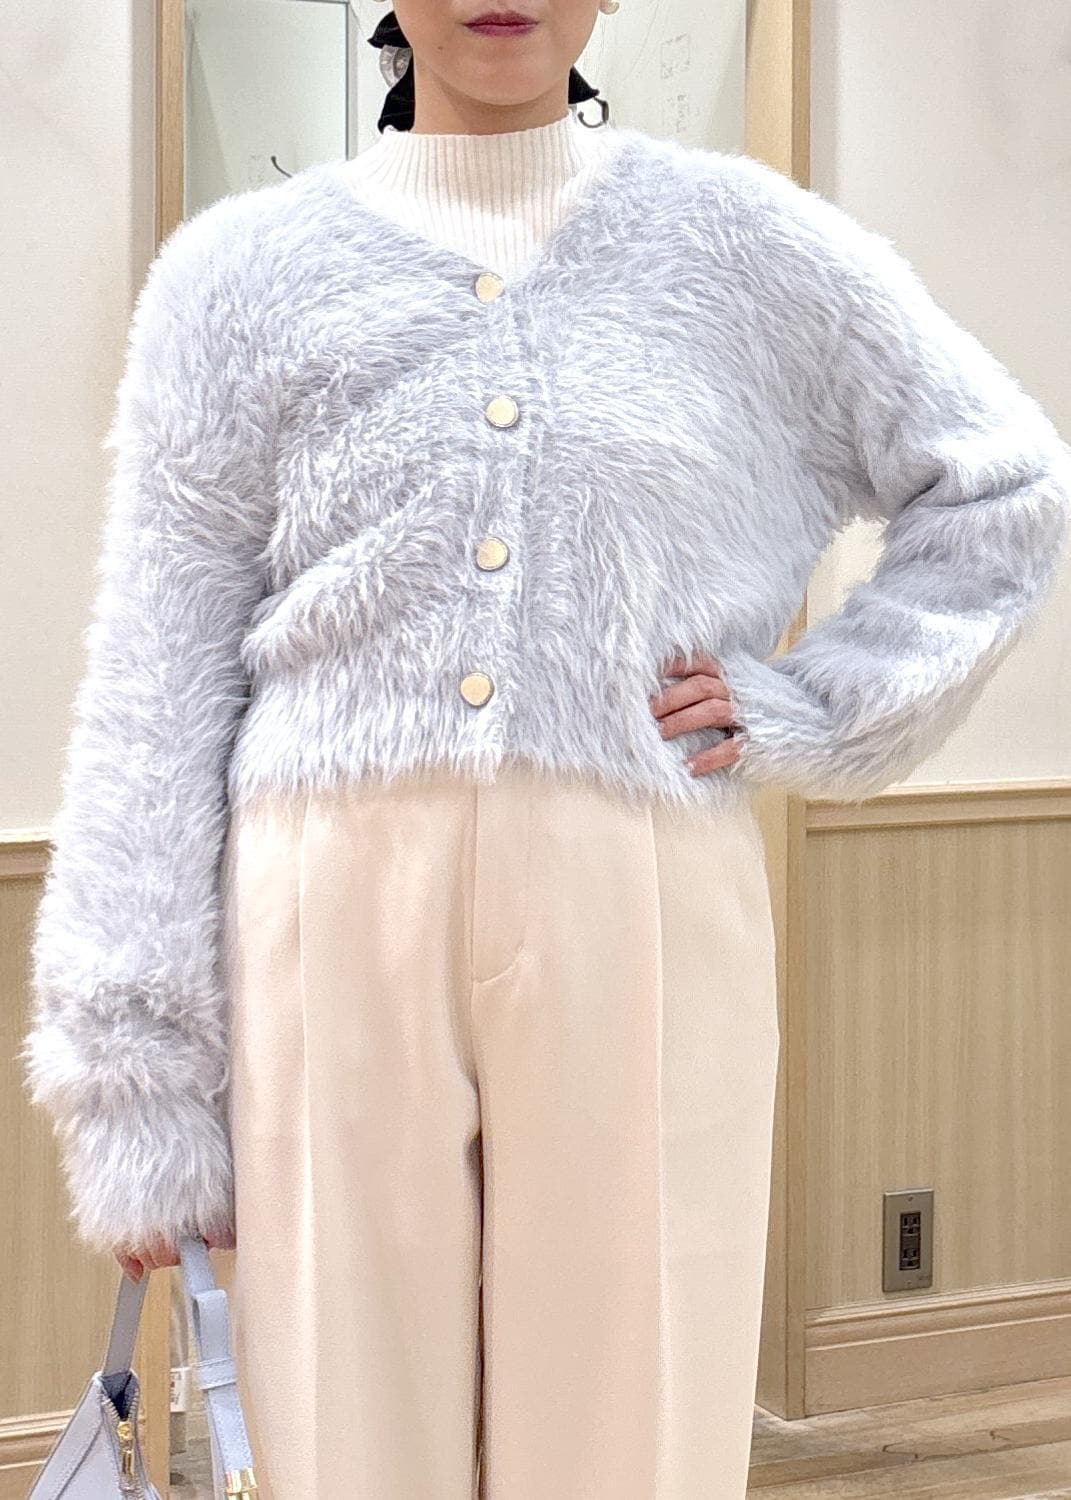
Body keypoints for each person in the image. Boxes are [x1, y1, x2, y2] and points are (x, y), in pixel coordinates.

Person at [20, 1, 1071, 1496]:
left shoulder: (749, 248)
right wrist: (131, 1068)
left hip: (637, 884)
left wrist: (825, 706)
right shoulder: (234, 275)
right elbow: (155, 671)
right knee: (342, 1413)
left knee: (631, 1401)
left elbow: (1003, 485)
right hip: (327, 904)